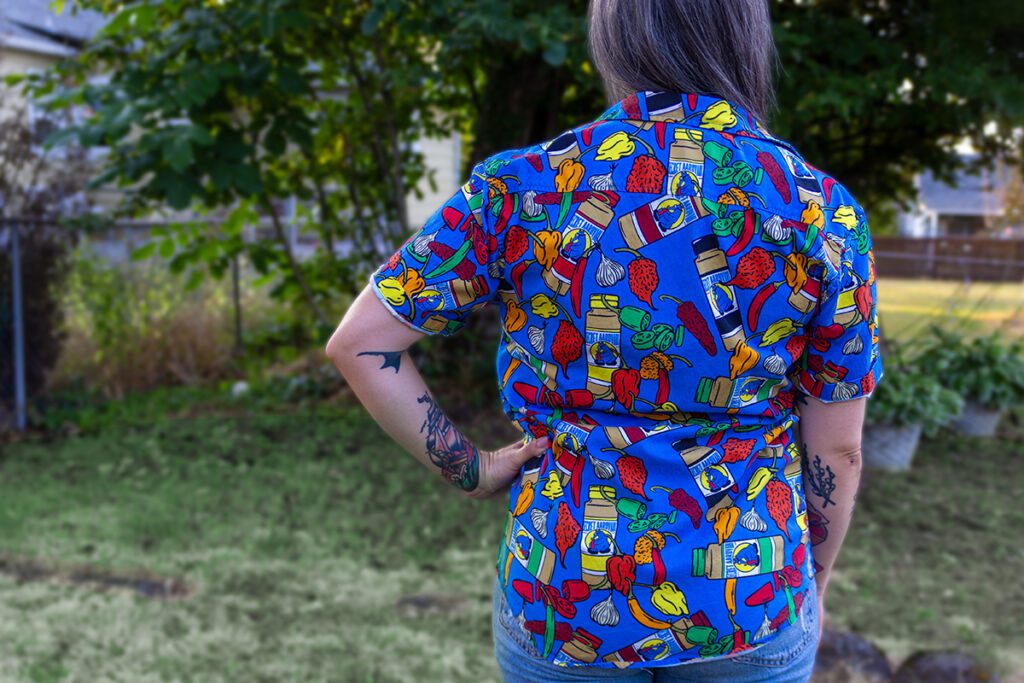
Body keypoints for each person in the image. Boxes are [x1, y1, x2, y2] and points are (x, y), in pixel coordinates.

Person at [326, 0, 884, 680]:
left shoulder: (526, 186)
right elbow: (839, 446)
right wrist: (811, 586)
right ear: (745, 38)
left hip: (565, 596)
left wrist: (471, 468)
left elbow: (361, 343)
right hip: (752, 599)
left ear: (612, 37)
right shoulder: (820, 209)